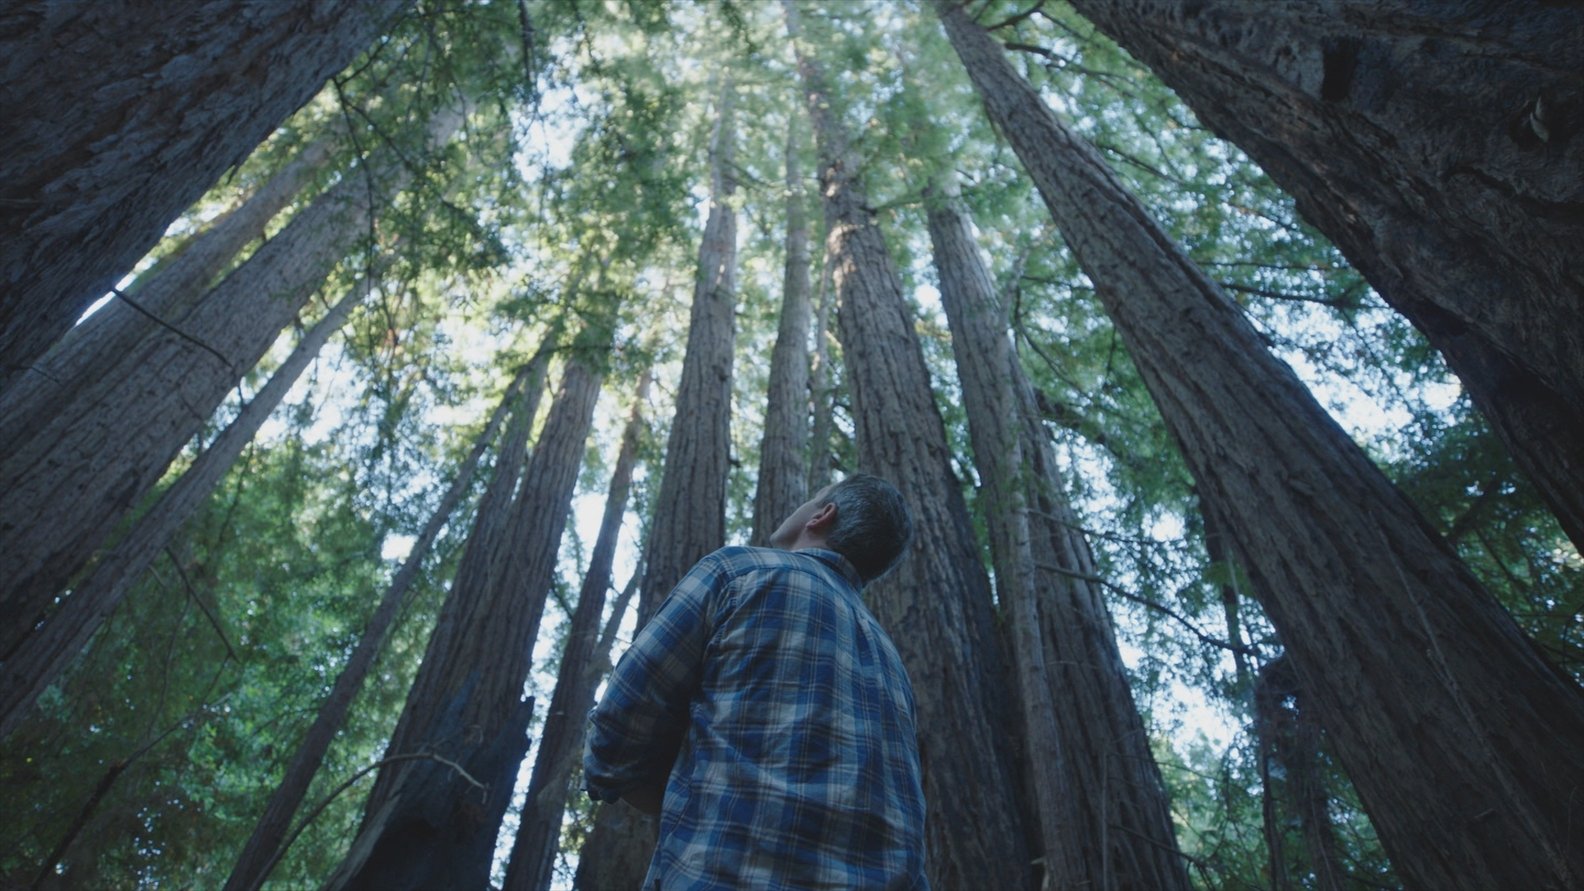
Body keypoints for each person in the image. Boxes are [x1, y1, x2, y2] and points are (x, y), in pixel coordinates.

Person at [583, 473, 928, 890]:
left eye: (812, 498)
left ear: (822, 515)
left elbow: (623, 715)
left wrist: (659, 792)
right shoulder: (891, 660)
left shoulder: (739, 572)